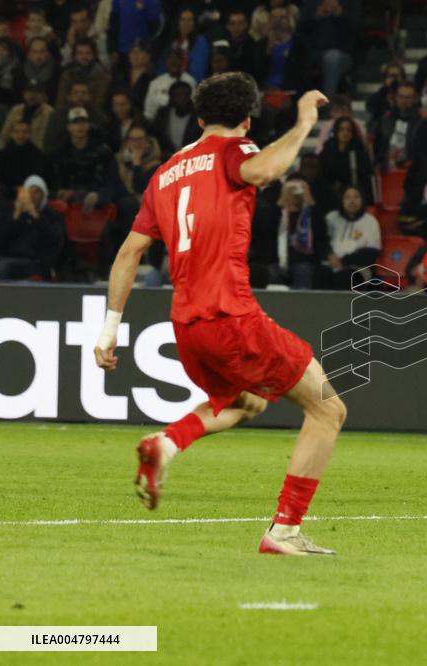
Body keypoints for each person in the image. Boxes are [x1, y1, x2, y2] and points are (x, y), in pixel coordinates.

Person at [93, 73, 345, 556]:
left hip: (187, 327)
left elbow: (128, 255)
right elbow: (265, 171)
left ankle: (165, 445)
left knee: (245, 401)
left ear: (200, 117)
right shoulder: (238, 152)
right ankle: (285, 531)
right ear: (247, 121)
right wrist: (304, 122)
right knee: (328, 407)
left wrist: (109, 331)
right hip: (230, 315)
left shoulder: (165, 173)